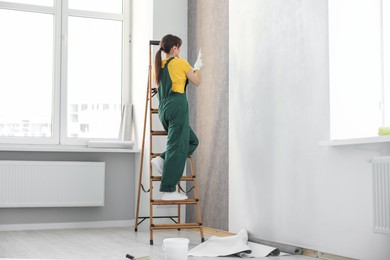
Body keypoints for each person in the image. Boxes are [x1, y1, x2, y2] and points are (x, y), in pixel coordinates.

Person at [151, 34, 203, 200]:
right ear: (174, 48)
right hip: (177, 107)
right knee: (176, 146)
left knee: (191, 141)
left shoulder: (158, 66)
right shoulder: (180, 62)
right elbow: (196, 81)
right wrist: (198, 67)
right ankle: (168, 189)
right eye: (178, 47)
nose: (180, 50)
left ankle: (162, 159)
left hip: (164, 110)